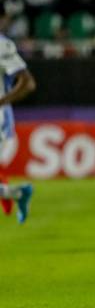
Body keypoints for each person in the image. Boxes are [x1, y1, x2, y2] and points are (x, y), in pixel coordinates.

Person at [0, 13, 36, 223]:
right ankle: (18, 193)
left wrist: (2, 101)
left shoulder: (3, 46)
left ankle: (18, 194)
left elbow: (28, 83)